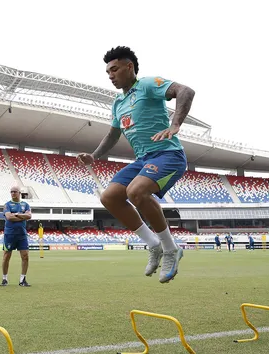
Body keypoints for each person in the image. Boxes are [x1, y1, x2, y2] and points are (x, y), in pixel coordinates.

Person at [78, 46, 196, 283]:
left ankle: (171, 249)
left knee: (136, 192)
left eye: (114, 69)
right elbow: (113, 135)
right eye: (108, 72)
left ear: (129, 66)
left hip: (167, 154)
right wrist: (95, 155)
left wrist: (175, 125)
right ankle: (154, 245)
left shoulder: (148, 84)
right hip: (143, 159)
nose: (111, 75)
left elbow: (186, 91)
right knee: (109, 197)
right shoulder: (117, 103)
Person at [2, 185, 32, 287]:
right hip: (9, 234)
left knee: (25, 256)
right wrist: (22, 216)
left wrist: (16, 215)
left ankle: (22, 279)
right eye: (11, 192)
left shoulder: (25, 205)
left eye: (15, 191)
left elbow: (29, 216)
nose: (13, 193)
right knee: (6, 256)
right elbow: (9, 217)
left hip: (22, 234)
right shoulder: (7, 205)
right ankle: (4, 279)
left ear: (19, 193)